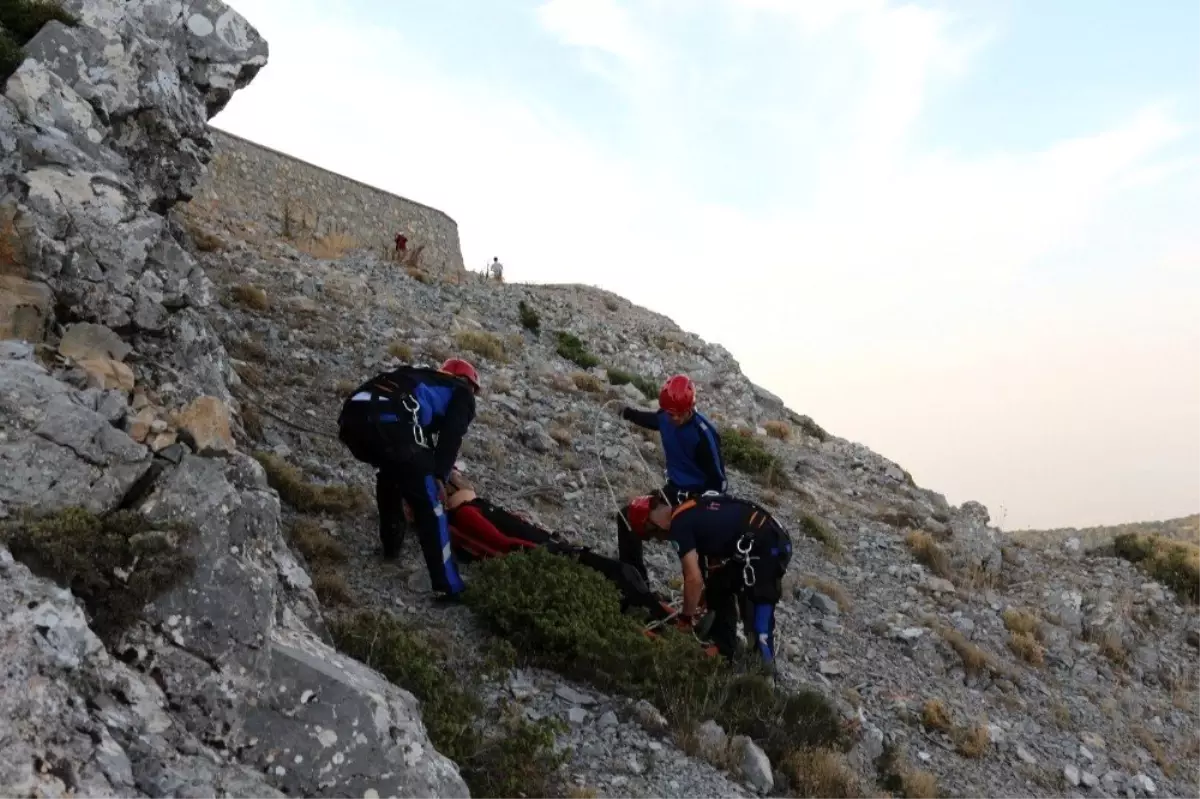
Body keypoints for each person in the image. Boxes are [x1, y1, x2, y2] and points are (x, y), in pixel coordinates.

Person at [336, 358, 481, 601]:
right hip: (393, 419)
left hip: (352, 417)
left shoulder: (414, 375)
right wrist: (439, 475)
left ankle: (391, 544)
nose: (473, 396)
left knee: (393, 470)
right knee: (430, 501)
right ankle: (450, 587)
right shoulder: (460, 390)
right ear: (468, 382)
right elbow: (451, 435)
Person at [641, 492, 792, 669]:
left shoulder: (678, 526)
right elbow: (715, 558)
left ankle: (764, 675)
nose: (658, 540)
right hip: (764, 537)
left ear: (653, 524)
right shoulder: (690, 508)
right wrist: (705, 597)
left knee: (759, 619)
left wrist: (686, 618)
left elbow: (693, 579)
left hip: (767, 547)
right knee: (718, 587)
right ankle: (723, 648)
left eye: (652, 536)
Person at [619, 374, 727, 507]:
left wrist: (706, 506)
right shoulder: (665, 417)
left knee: (676, 526)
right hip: (674, 488)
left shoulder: (703, 436)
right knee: (633, 514)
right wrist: (629, 413)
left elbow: (718, 481)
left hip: (696, 496)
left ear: (690, 408)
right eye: (671, 413)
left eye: (681, 413)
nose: (675, 417)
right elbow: (653, 420)